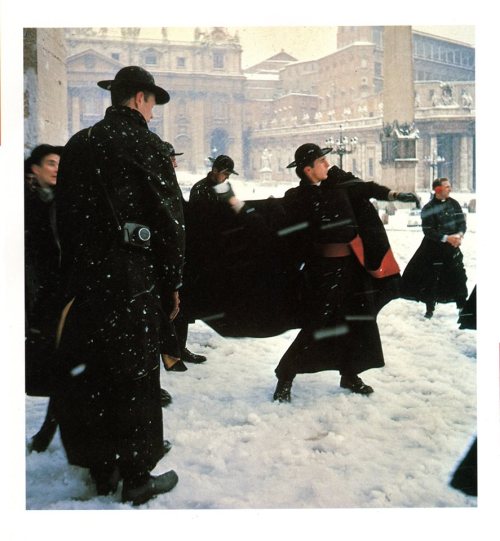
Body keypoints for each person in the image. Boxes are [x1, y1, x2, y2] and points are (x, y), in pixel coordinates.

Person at [53, 66, 184, 505]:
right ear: (142, 99)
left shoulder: (78, 143)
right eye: (152, 104)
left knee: (94, 372)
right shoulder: (148, 145)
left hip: (88, 278)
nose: (153, 113)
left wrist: (77, 271)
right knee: (134, 374)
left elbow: (64, 219)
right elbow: (170, 220)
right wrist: (173, 283)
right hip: (133, 277)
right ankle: (136, 475)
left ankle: (101, 468)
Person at [271, 143, 419, 402]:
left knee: (358, 322)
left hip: (352, 270)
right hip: (321, 272)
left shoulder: (339, 184)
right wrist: (299, 266)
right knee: (317, 324)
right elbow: (290, 237)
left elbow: (367, 188)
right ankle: (285, 376)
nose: (327, 165)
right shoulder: (296, 198)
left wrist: (394, 195)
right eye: (321, 162)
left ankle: (350, 374)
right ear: (308, 170)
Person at [24, 144, 63, 452]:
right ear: (34, 169)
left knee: (65, 366)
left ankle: (46, 433)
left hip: (56, 296)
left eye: (59, 163)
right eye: (50, 162)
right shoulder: (24, 203)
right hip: (35, 296)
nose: (56, 168)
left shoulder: (61, 202)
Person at [162, 142, 207, 371]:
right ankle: (171, 352)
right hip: (166, 254)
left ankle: (178, 349)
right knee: (170, 305)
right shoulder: (159, 183)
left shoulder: (169, 182)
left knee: (181, 304)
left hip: (179, 252)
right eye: (172, 159)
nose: (175, 163)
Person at [401, 177, 468, 319]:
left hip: (452, 247)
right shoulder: (428, 208)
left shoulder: (454, 204)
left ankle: (462, 307)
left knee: (458, 277)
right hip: (433, 249)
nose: (450, 189)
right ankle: (429, 308)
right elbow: (428, 231)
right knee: (431, 279)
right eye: (447, 187)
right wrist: (446, 238)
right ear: (438, 190)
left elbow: (461, 223)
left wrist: (459, 236)